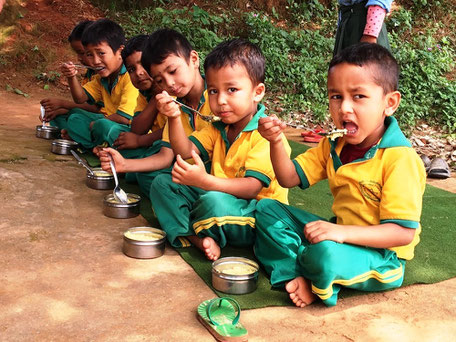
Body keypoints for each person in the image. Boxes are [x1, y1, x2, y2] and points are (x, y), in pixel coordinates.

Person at [254, 43, 426, 307]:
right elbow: (288, 178)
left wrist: (339, 232)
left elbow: (402, 233)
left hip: (383, 257)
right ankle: (297, 272)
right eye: (336, 96)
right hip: (339, 236)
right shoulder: (334, 145)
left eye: (358, 96)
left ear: (389, 103)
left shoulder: (399, 158)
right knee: (266, 209)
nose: (344, 108)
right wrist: (276, 141)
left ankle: (313, 277)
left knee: (325, 255)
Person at [150, 38, 290, 261]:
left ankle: (200, 228)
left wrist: (204, 181)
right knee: (162, 183)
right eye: (213, 91)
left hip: (256, 216)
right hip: (218, 200)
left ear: (258, 91)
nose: (221, 100)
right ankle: (196, 238)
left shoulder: (268, 135)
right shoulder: (218, 128)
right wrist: (174, 117)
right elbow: (185, 151)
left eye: (232, 90)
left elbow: (252, 188)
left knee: (212, 201)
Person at [98, 29, 211, 196]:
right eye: (159, 80)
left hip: (218, 178)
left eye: (173, 71)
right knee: (157, 181)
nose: (169, 83)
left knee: (159, 182)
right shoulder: (177, 104)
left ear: (193, 59)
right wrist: (123, 164)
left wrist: (140, 142)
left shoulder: (217, 99)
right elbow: (165, 156)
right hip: (189, 170)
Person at [60, 18, 138, 149]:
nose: (95, 61)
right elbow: (80, 98)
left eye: (101, 53)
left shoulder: (129, 77)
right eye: (89, 55)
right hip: (106, 122)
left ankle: (92, 145)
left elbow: (124, 118)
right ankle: (96, 146)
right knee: (75, 118)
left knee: (102, 126)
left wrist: (95, 124)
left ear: (120, 51)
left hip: (125, 129)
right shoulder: (101, 78)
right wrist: (71, 76)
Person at [95, 34, 166, 160]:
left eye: (143, 64)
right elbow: (137, 129)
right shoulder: (144, 93)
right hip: (149, 144)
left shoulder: (172, 89)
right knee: (113, 133)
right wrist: (155, 97)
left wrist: (140, 141)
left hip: (167, 147)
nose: (138, 73)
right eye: (131, 69)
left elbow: (171, 132)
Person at [40, 20, 99, 137]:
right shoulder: (90, 73)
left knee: (75, 118)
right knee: (58, 117)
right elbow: (81, 101)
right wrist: (59, 110)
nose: (79, 58)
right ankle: (73, 133)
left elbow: (96, 109)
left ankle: (77, 135)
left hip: (103, 119)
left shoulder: (103, 75)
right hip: (89, 115)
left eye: (83, 53)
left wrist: (63, 104)